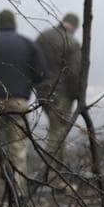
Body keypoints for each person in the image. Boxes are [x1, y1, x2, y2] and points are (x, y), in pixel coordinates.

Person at [0, 9, 46, 200]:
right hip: (18, 101)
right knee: (17, 147)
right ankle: (18, 190)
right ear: (14, 24)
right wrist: (26, 87)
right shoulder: (28, 44)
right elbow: (41, 73)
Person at [35, 12, 83, 167]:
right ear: (75, 26)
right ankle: (48, 173)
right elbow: (74, 73)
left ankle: (55, 174)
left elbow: (33, 62)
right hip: (61, 95)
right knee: (58, 133)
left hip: (42, 90)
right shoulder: (72, 43)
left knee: (56, 130)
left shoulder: (43, 37)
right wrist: (76, 95)